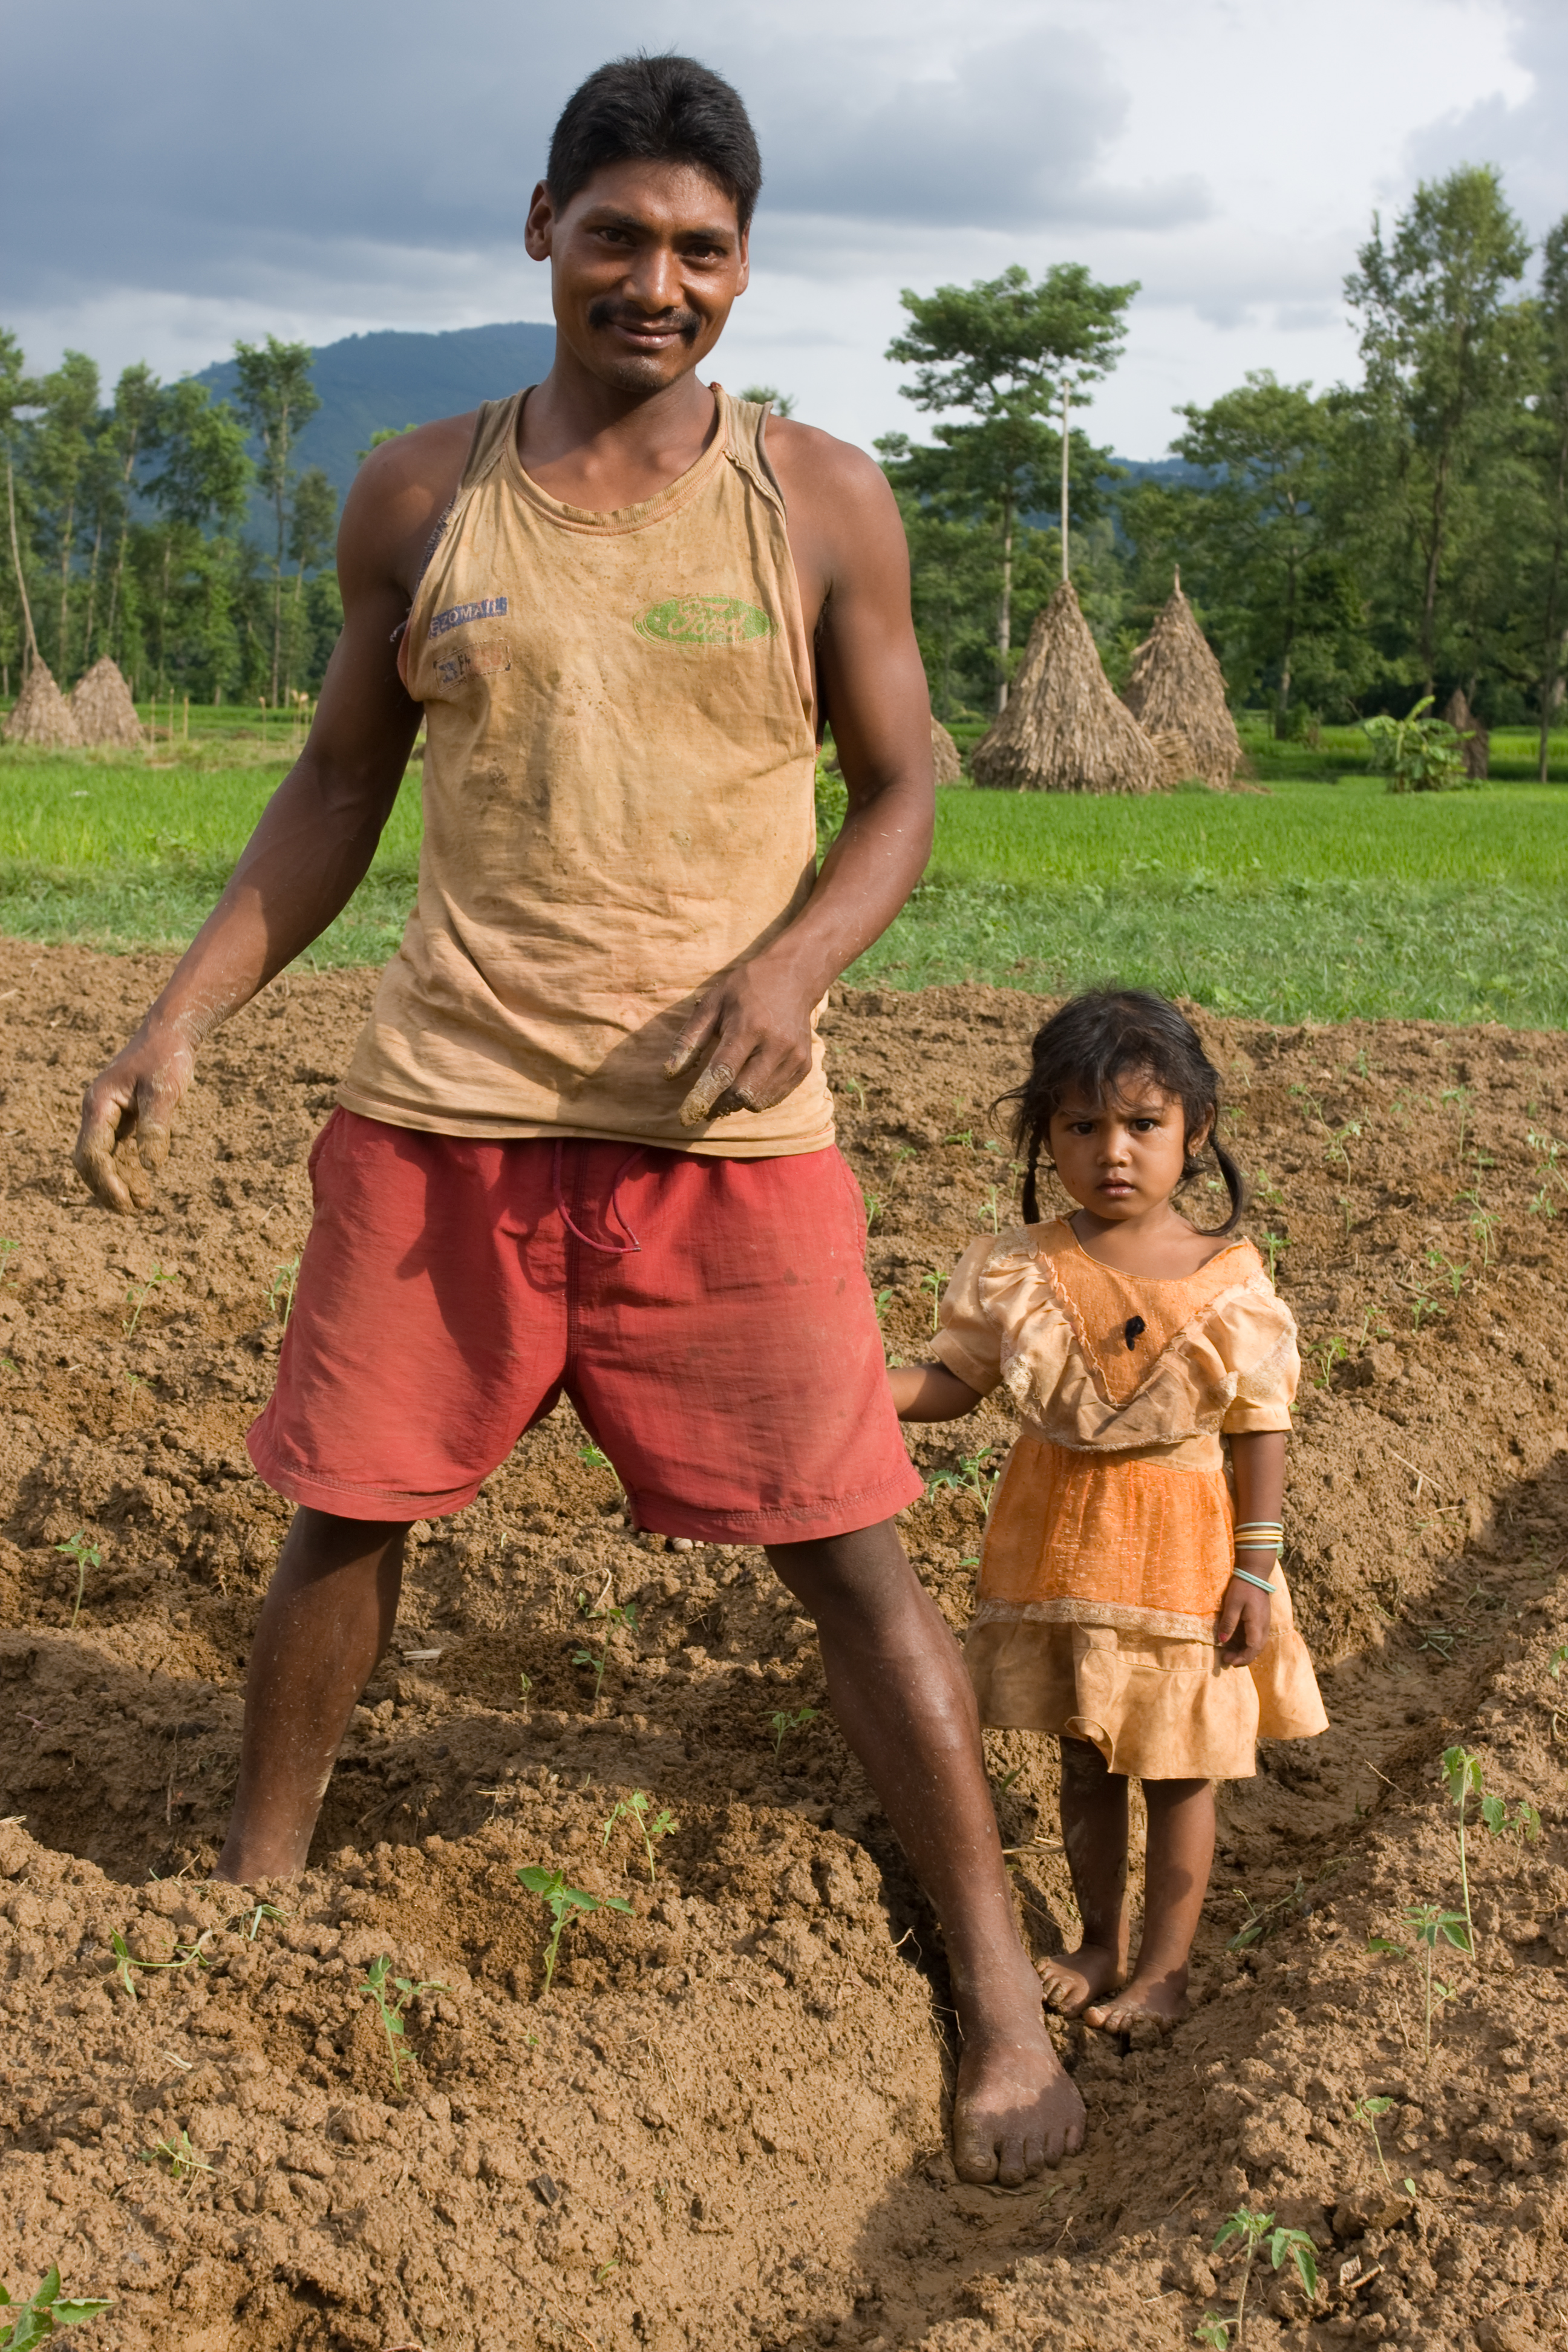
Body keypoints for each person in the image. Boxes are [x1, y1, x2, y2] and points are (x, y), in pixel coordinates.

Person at [71, 54, 1083, 2183]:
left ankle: (992, 1985)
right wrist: (181, 1014)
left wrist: (793, 966)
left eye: (700, 248)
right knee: (346, 1509)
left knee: (848, 1553)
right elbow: (339, 785)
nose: (657, 279)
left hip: (725, 1134)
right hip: (444, 1114)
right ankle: (255, 1893)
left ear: (742, 267)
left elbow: (902, 787)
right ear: (542, 229)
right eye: (617, 234)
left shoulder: (815, 498)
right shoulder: (420, 495)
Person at [890, 989, 1327, 2032]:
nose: (1113, 1153)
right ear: (1047, 1137)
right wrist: (858, 1386)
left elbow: (1260, 1425)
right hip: (1063, 1554)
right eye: (1082, 1128)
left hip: (1184, 1563)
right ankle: (1099, 1941)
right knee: (1084, 1757)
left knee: (1179, 1771)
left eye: (1142, 1125)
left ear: (1196, 1133)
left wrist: (1256, 1568)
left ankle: (1166, 1971)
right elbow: (955, 1382)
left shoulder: (1229, 1280)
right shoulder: (1023, 1265)